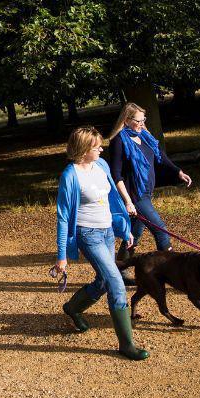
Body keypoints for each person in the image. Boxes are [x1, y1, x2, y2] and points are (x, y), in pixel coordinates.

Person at [55, 126, 148, 361]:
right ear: (84, 149)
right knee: (116, 281)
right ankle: (127, 345)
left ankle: (73, 308)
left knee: (104, 281)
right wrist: (62, 255)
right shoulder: (71, 175)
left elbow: (112, 201)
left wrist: (124, 229)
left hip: (107, 231)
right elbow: (64, 216)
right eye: (96, 146)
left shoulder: (102, 166)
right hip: (88, 235)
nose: (101, 148)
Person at [107, 103, 192, 252]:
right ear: (126, 120)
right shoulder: (119, 141)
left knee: (135, 233)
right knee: (161, 230)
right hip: (135, 195)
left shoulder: (145, 136)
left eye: (143, 120)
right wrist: (128, 202)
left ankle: (121, 265)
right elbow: (116, 175)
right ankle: (167, 267)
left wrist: (178, 172)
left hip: (147, 191)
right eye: (138, 121)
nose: (141, 124)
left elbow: (161, 157)